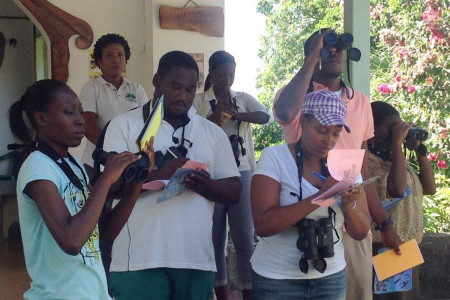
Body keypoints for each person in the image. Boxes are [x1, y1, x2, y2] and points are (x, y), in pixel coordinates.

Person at [272, 28, 402, 300]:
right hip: (303, 217)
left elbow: (362, 169)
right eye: (326, 48)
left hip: (350, 219)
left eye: (338, 49)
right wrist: (311, 59)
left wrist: (385, 224)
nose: (334, 53)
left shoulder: (361, 102)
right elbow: (284, 113)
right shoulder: (294, 96)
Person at [101, 51, 242, 300]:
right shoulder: (124, 125)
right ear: (156, 81)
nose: (182, 97)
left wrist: (201, 183)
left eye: (190, 89)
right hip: (138, 261)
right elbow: (109, 187)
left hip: (195, 260)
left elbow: (234, 190)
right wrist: (158, 174)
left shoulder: (211, 132)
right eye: (175, 87)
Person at [8, 79, 153, 299]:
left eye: (81, 112)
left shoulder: (73, 165)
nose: (80, 121)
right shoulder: (37, 167)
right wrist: (105, 180)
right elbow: (72, 240)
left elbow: (105, 232)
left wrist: (137, 182)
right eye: (69, 113)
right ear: (41, 118)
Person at [251, 90, 370, 299]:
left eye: (336, 133)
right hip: (276, 280)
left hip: (331, 278)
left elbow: (360, 232)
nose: (329, 140)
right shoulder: (275, 158)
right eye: (321, 130)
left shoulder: (346, 166)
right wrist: (322, 196)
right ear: (303, 122)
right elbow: (263, 225)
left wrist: (349, 205)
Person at [193, 50, 273, 300]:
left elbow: (265, 116)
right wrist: (212, 119)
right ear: (212, 74)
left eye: (231, 74)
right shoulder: (199, 101)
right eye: (221, 74)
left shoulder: (242, 98)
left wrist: (236, 115)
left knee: (244, 237)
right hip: (212, 173)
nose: (227, 79)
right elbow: (191, 130)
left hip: (242, 171)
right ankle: (221, 292)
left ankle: (249, 290)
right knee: (215, 237)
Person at [368, 101, 436, 300]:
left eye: (400, 126)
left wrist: (419, 150)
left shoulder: (397, 159)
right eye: (391, 127)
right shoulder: (367, 162)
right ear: (372, 127)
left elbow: (429, 189)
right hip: (383, 245)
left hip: (407, 247)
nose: (397, 131)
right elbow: (397, 189)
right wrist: (397, 144)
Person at [80, 33, 148, 176]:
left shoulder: (136, 89)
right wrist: (115, 150)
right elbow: (87, 126)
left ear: (126, 59)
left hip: (132, 160)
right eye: (109, 55)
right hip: (98, 161)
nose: (116, 60)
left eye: (120, 55)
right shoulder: (91, 88)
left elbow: (146, 123)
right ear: (100, 61)